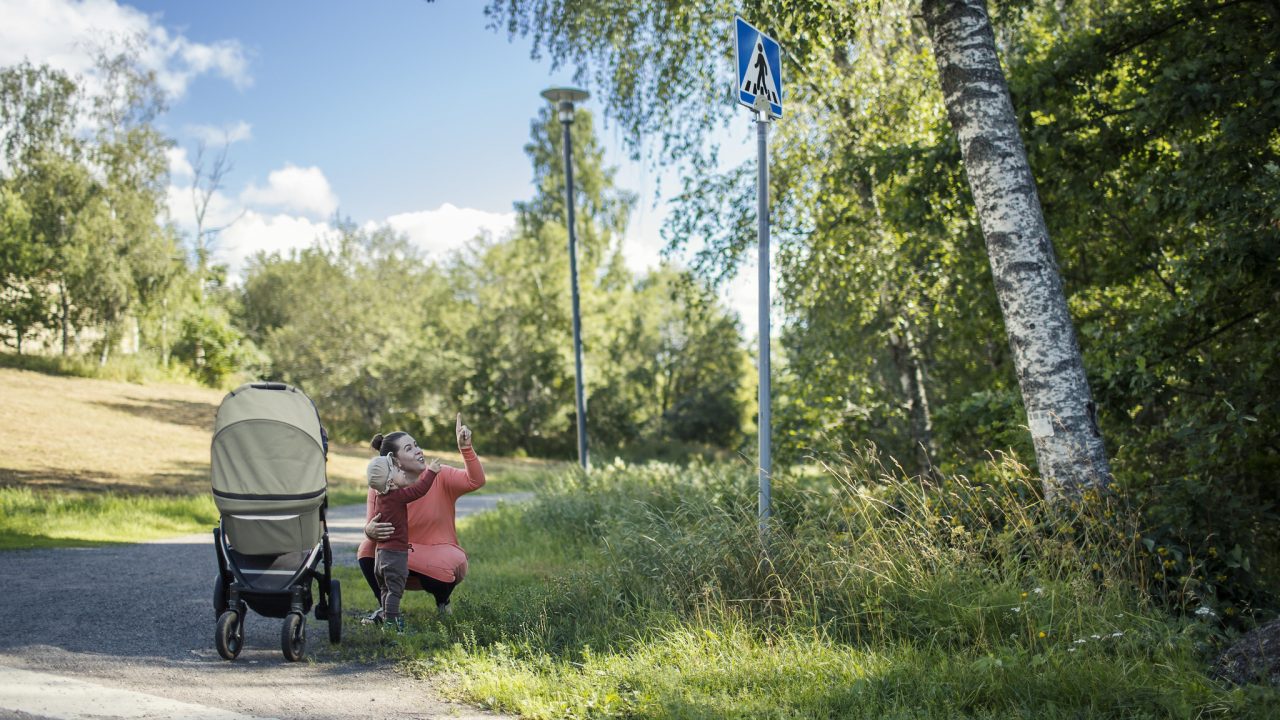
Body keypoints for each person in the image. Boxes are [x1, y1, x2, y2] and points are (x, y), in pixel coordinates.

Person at [358, 413, 484, 622]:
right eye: (409, 448)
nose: (419, 451)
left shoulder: (440, 475)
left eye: (416, 445)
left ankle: (443, 602)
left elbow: (475, 481)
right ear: (395, 461)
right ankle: (387, 610)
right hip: (398, 559)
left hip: (436, 556)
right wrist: (369, 531)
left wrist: (466, 448)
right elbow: (372, 528)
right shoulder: (382, 488)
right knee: (366, 549)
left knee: (448, 562)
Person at [365, 453, 440, 632]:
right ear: (390, 483)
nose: (402, 471)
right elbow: (419, 490)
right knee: (395, 591)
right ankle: (391, 624)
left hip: (380, 555)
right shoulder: (396, 496)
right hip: (394, 554)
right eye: (397, 470)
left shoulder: (381, 498)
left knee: (385, 589)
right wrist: (431, 472)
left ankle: (387, 617)